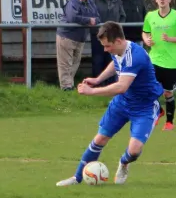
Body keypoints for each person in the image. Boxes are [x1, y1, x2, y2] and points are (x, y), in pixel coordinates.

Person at [56, 21, 164, 187]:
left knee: (134, 151)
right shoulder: (119, 50)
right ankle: (77, 178)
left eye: (108, 46)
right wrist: (98, 79)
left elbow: (121, 86)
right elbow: (116, 63)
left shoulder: (136, 56)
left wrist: (91, 91)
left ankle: (123, 163)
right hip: (122, 103)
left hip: (144, 106)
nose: (106, 50)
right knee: (100, 139)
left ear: (119, 41)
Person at [142, 0, 176, 131]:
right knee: (151, 90)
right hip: (154, 59)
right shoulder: (150, 16)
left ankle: (169, 121)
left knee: (168, 92)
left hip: (172, 62)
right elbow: (145, 32)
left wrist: (170, 38)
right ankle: (158, 112)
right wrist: (147, 40)